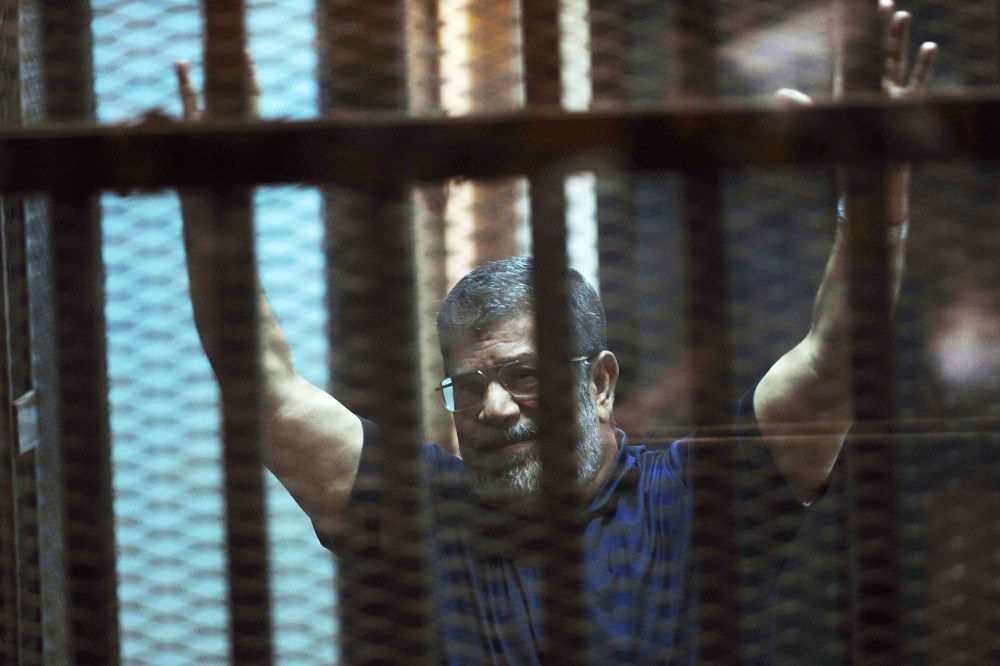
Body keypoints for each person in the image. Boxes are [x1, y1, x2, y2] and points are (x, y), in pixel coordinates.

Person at [176, 1, 936, 662]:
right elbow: (262, 386)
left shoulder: (698, 497)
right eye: (469, 386)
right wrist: (217, 206)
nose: (494, 408)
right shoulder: (424, 509)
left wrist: (874, 204)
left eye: (526, 375)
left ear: (600, 383)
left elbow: (837, 355)